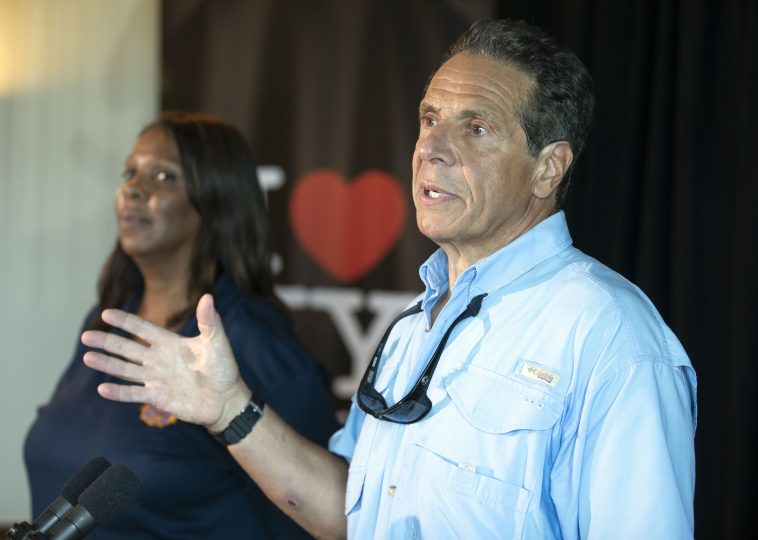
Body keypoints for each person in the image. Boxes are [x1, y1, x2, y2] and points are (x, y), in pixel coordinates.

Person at [81, 20, 697, 539]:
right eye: (430, 119)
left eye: (475, 128)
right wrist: (228, 409)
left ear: (548, 168)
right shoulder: (415, 325)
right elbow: (347, 513)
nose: (431, 147)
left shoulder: (612, 338)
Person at [24, 112, 339, 539]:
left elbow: (317, 514)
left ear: (216, 201)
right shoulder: (108, 319)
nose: (134, 188)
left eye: (164, 176)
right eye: (130, 173)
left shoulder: (254, 340)